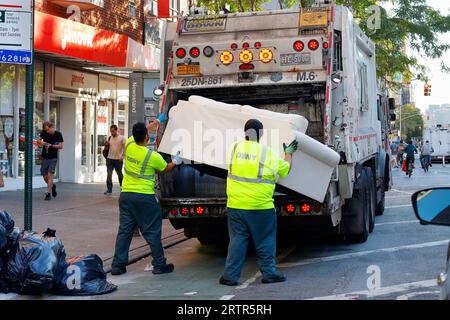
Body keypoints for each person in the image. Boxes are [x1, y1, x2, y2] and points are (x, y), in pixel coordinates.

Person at [219, 119, 298, 286]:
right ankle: (269, 273)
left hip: (236, 205)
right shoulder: (266, 153)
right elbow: (285, 170)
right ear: (261, 134)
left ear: (245, 133)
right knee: (265, 240)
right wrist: (288, 153)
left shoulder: (234, 149)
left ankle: (230, 276)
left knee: (238, 240)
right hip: (260, 206)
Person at [111, 115, 180, 276]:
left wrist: (156, 123)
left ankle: (117, 265)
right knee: (152, 231)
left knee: (125, 231)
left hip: (126, 196)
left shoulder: (128, 144)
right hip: (145, 198)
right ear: (146, 138)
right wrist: (176, 161)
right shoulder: (152, 156)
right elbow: (165, 168)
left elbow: (140, 131)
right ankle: (159, 264)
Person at [37, 121, 64, 201]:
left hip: (53, 158)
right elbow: (38, 141)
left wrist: (51, 145)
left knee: (50, 175)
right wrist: (44, 143)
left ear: (52, 127)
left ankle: (48, 193)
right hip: (45, 157)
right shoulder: (44, 133)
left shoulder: (58, 134)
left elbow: (61, 146)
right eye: (46, 130)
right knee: (44, 176)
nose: (47, 131)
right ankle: (52, 186)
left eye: (48, 130)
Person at [104, 125, 126, 195]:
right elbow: (107, 147)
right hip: (110, 159)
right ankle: (109, 189)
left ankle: (123, 188)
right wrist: (106, 144)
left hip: (118, 160)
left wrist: (123, 156)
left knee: (119, 174)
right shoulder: (110, 138)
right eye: (111, 131)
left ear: (116, 130)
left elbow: (124, 148)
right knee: (109, 174)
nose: (112, 133)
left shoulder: (122, 138)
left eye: (113, 131)